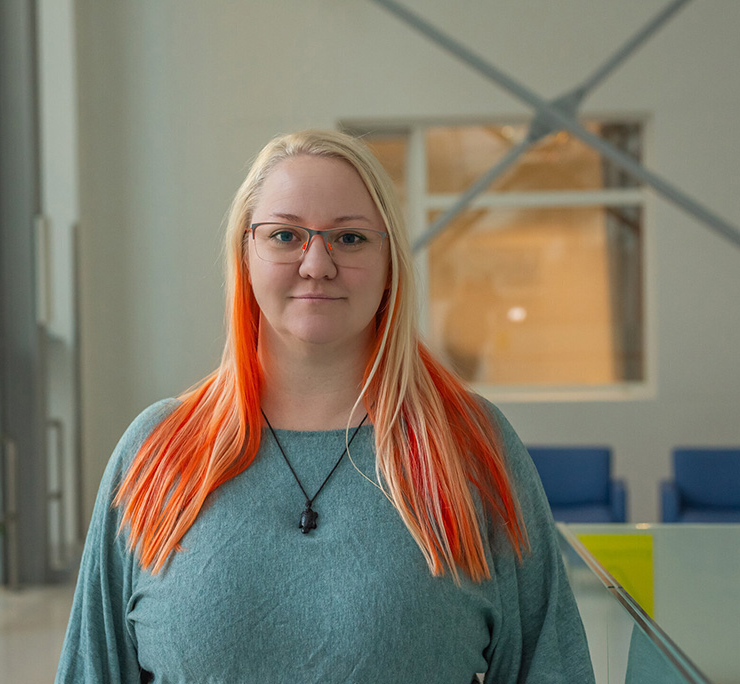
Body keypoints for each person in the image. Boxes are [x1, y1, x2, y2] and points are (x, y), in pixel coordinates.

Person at [56, 130, 596, 683]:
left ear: (390, 263)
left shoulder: (471, 446)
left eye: (350, 238)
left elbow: (550, 668)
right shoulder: (157, 450)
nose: (316, 264)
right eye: (285, 235)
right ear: (245, 256)